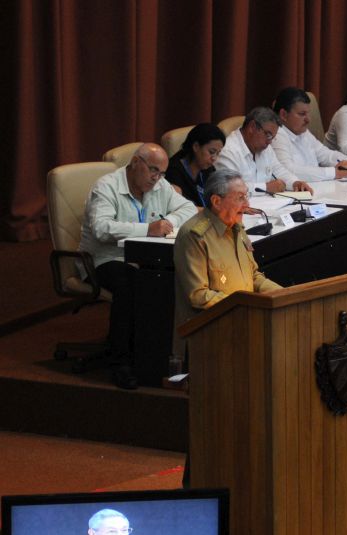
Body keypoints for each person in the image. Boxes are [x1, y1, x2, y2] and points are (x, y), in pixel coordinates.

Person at [79, 143, 196, 389]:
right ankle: (121, 362)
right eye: (153, 170)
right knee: (131, 284)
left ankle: (158, 355)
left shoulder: (159, 185)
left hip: (146, 257)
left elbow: (187, 208)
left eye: (162, 173)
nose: (157, 178)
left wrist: (167, 221)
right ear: (135, 163)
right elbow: (101, 228)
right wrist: (147, 229)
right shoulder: (107, 187)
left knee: (170, 279)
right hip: (104, 260)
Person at [173, 169, 283, 328]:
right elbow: (198, 296)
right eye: (240, 198)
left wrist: (284, 295)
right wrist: (245, 306)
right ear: (217, 201)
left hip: (244, 322)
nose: (247, 205)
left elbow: (253, 277)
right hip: (209, 333)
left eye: (246, 196)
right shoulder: (194, 236)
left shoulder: (236, 226)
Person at [270, 87, 347, 182]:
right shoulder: (276, 134)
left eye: (308, 113)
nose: (308, 120)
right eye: (302, 114)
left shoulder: (303, 132)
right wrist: (334, 173)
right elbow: (288, 170)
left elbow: (326, 154)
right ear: (283, 115)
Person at [216, 106, 313, 195]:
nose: (270, 142)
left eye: (272, 137)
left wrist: (295, 182)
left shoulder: (264, 147)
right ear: (252, 127)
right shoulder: (228, 152)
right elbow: (231, 189)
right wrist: (266, 187)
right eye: (268, 134)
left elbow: (278, 170)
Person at [164, 123, 226, 207]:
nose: (214, 158)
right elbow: (181, 208)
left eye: (218, 153)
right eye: (211, 152)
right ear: (196, 147)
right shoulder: (173, 172)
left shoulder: (208, 169)